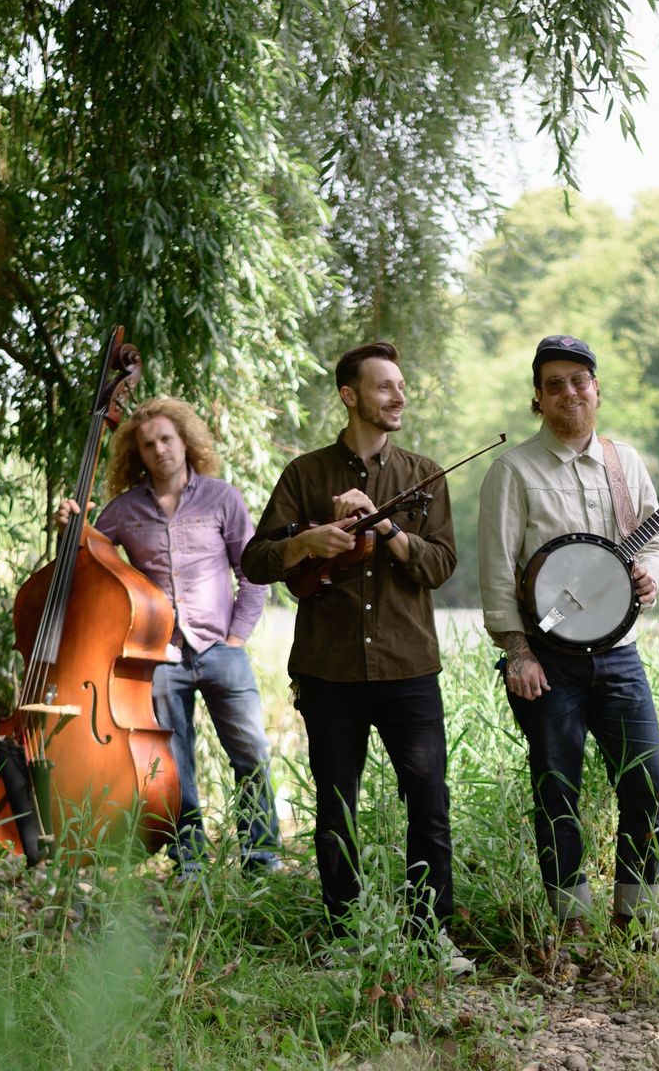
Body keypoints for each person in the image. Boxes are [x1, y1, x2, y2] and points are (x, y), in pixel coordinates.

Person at [242, 341, 470, 972]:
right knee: (336, 803)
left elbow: (441, 565)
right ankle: (346, 935)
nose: (398, 397)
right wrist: (307, 542)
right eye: (384, 387)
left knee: (428, 801)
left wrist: (389, 529)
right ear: (350, 396)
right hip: (329, 670)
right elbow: (255, 560)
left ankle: (431, 934)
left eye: (401, 386)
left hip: (408, 667)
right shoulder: (305, 476)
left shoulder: (423, 475)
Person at [477, 335, 659, 942]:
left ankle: (636, 915)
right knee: (556, 786)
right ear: (538, 397)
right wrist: (519, 652)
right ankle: (572, 921)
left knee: (648, 778)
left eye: (579, 380)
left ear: (596, 388)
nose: (569, 393)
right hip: (547, 659)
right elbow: (497, 567)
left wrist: (651, 574)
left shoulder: (625, 463)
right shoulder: (513, 471)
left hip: (618, 654)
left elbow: (655, 543)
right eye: (554, 383)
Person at [54, 397, 280, 878]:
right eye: (149, 444)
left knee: (251, 754)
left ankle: (261, 859)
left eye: (167, 439)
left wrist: (237, 639)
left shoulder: (223, 498)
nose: (160, 450)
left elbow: (254, 574)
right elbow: (89, 565)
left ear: (185, 442)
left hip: (223, 650)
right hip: (159, 658)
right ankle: (189, 862)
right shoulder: (125, 510)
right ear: (138, 454)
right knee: (173, 766)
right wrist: (73, 530)